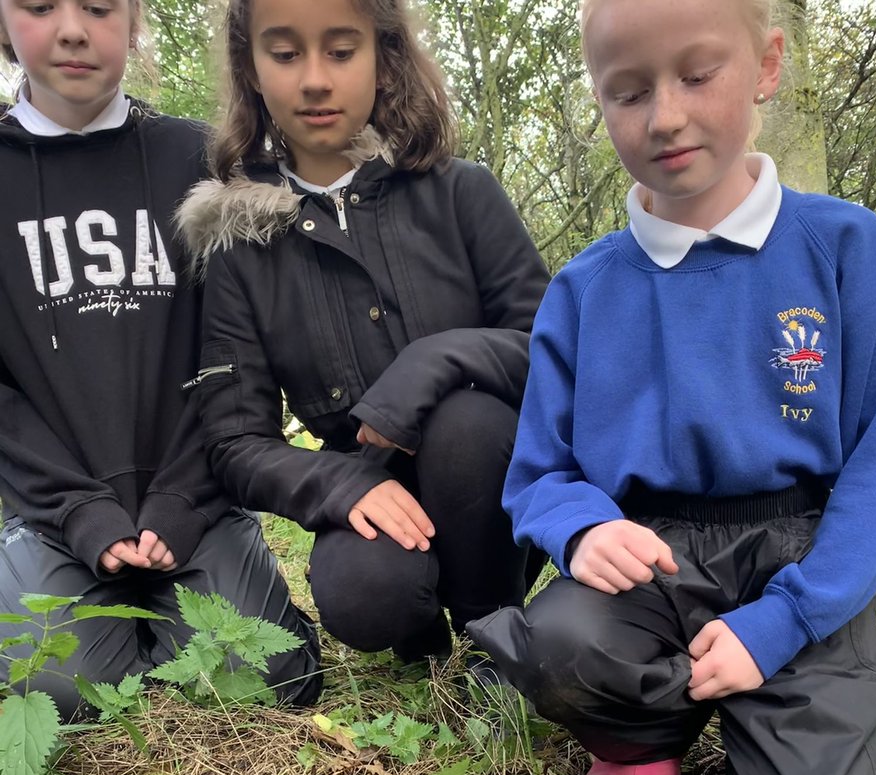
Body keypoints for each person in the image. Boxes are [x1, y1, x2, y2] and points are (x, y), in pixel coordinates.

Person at [468, 0, 876, 775]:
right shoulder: (585, 289)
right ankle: (646, 735)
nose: (663, 117)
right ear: (598, 98)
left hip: (803, 557)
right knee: (561, 642)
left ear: (769, 64)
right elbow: (538, 474)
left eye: (696, 76)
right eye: (627, 92)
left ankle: (790, 740)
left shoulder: (849, 249)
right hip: (658, 559)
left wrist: (785, 622)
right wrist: (582, 527)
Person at [176, 0, 549, 668]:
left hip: (494, 476)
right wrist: (340, 486)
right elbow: (236, 443)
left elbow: (555, 353)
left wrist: (436, 359)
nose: (315, 80)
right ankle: (424, 642)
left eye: (342, 51)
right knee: (361, 593)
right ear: (252, 68)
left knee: (464, 425)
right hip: (372, 485)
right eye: (286, 54)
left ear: (383, 58)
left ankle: (493, 633)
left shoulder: (462, 192)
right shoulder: (241, 246)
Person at [0, 0, 321, 718]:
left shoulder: (205, 162)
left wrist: (183, 498)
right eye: (41, 6)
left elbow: (242, 356)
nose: (74, 29)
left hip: (198, 501)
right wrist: (79, 510)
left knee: (262, 681)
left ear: (135, 17)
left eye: (99, 7)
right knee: (54, 692)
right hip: (55, 514)